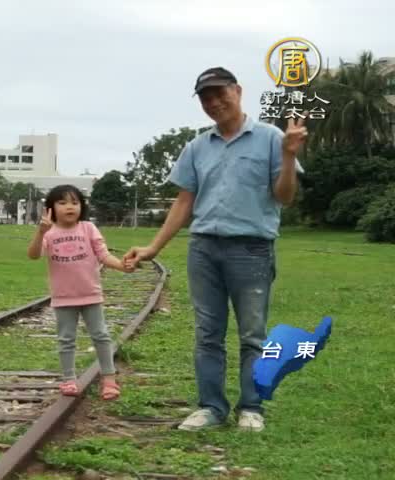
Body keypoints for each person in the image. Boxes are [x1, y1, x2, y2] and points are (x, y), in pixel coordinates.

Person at [124, 67, 306, 432]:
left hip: (252, 249)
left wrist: (288, 156)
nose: (214, 103)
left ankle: (251, 407)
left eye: (220, 93)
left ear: (238, 91)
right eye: (206, 98)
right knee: (208, 334)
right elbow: (184, 202)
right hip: (204, 249)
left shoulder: (271, 138)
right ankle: (211, 407)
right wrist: (154, 247)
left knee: (252, 334)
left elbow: (285, 197)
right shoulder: (197, 147)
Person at [27, 184, 133, 400]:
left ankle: (109, 378)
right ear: (50, 208)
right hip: (63, 297)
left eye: (75, 202)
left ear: (82, 207)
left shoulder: (88, 228)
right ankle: (69, 379)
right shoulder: (49, 233)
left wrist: (122, 266)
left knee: (101, 336)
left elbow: (103, 255)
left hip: (90, 294)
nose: (70, 207)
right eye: (62, 202)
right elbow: (34, 255)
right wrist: (40, 232)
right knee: (66, 339)